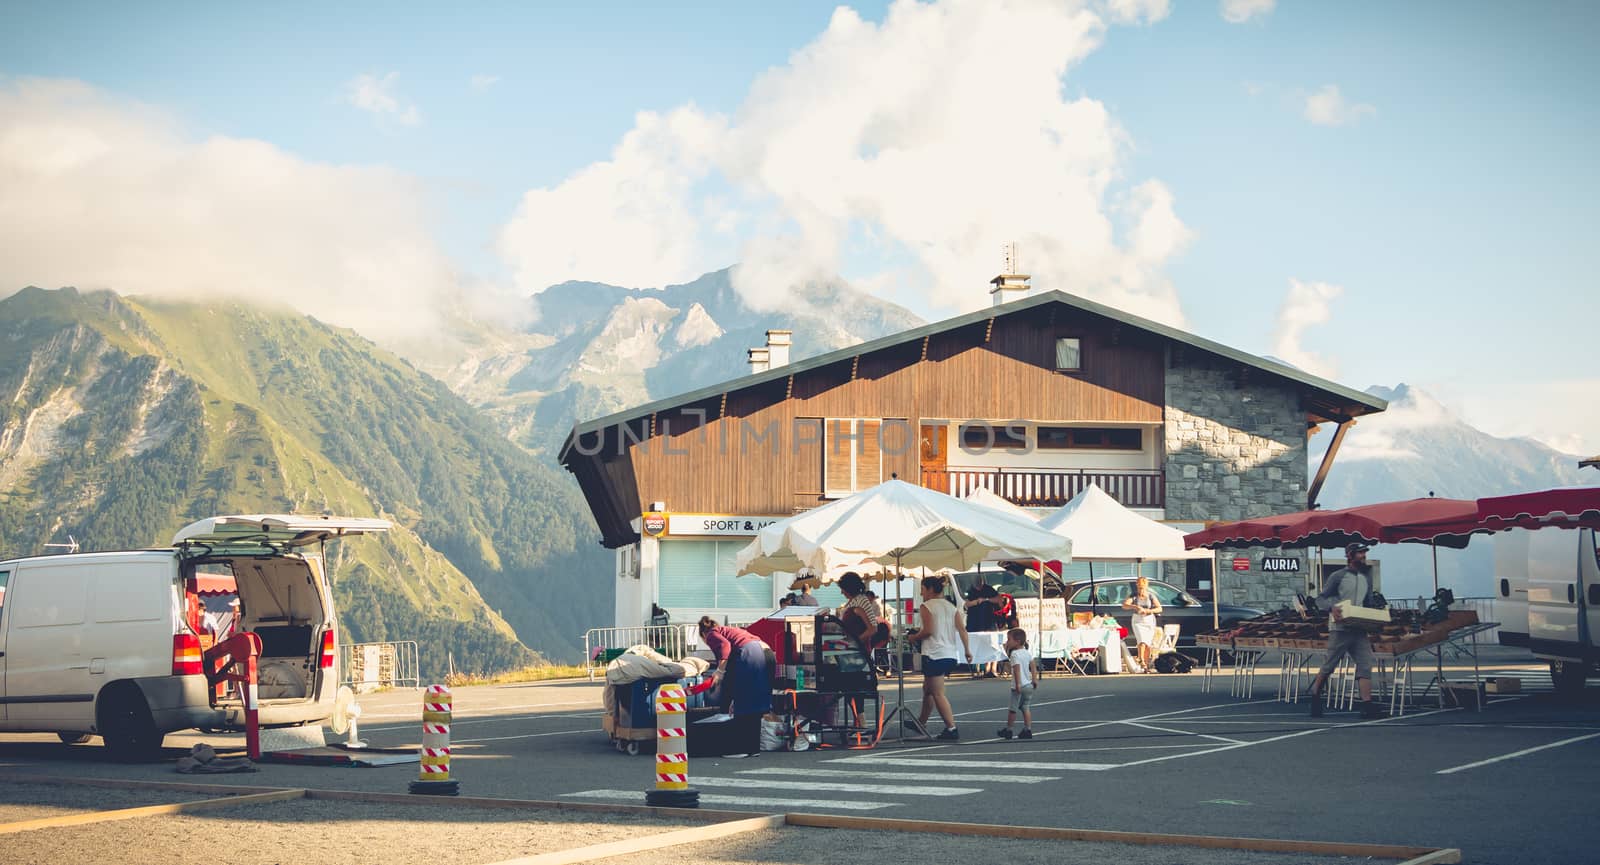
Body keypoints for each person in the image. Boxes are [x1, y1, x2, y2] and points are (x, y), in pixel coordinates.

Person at [1306, 544, 1385, 720]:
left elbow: (1368, 603)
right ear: (1350, 555)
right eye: (1360, 552)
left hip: (1359, 629)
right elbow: (1320, 599)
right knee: (1329, 665)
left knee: (1365, 664)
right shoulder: (1338, 576)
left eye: (1364, 552)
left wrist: (1376, 617)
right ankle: (1316, 698)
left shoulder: (1366, 577)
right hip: (1340, 629)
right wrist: (1331, 608)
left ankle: (1367, 705)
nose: (1364, 555)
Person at [910, 576, 971, 740]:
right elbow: (962, 630)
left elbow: (929, 630)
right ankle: (921, 722)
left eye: (922, 589)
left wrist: (914, 637)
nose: (921, 593)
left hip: (934, 653)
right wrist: (967, 650)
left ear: (930, 589)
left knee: (937, 693)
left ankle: (951, 728)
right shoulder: (951, 607)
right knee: (928, 689)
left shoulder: (927, 606)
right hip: (950, 653)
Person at [696, 616, 773, 717]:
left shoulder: (711, 634)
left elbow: (724, 645)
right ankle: (763, 727)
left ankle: (741, 726)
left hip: (752, 652)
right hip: (767, 653)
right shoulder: (728, 631)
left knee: (746, 702)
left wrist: (720, 671)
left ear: (703, 634)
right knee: (760, 696)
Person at [996, 627, 1039, 740]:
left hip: (1019, 685)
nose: (1007, 642)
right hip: (1029, 685)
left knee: (1013, 709)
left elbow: (1016, 669)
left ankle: (1009, 729)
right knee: (1025, 707)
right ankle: (1028, 729)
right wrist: (1034, 679)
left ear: (1017, 641)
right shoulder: (1027, 653)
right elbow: (1033, 666)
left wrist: (1018, 684)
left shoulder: (1014, 654)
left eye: (1009, 639)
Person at [1122, 576, 1163, 673]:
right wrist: (1135, 606)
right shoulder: (1134, 595)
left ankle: (1146, 664)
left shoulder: (1150, 596)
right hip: (1138, 620)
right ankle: (1141, 661)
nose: (1141, 589)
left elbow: (1159, 608)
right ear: (1137, 586)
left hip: (1149, 620)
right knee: (1141, 641)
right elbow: (1124, 605)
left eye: (1143, 587)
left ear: (1146, 586)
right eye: (1139, 587)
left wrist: (1149, 610)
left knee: (1147, 644)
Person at [964, 572, 1001, 676]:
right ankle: (979, 668)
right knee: (977, 645)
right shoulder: (970, 591)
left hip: (989, 621)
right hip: (974, 622)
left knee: (992, 644)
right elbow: (966, 604)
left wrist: (986, 600)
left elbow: (999, 599)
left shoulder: (989, 589)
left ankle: (992, 669)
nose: (979, 583)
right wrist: (976, 602)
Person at [835, 572, 881, 645]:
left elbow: (873, 629)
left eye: (843, 589)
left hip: (858, 649)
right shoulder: (852, 601)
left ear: (849, 588)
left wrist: (855, 641)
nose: (841, 592)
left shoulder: (862, 600)